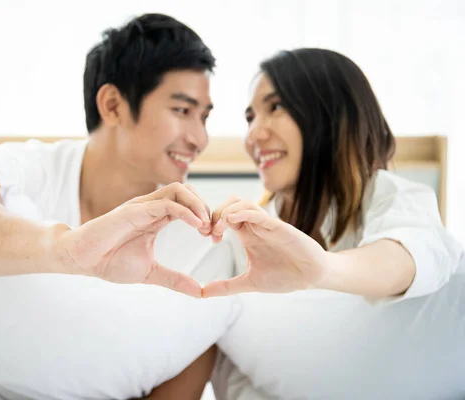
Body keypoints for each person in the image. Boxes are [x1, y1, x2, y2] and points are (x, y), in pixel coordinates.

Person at [0, 13, 238, 400]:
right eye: (182, 111)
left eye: (205, 117)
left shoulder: (202, 240)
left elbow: (187, 372)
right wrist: (69, 251)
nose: (199, 138)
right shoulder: (24, 169)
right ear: (113, 105)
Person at [192, 48, 464, 399]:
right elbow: (229, 367)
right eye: (249, 117)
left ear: (331, 115)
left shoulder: (390, 196)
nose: (254, 136)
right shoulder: (241, 235)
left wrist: (319, 268)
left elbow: (413, 257)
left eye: (275, 107)